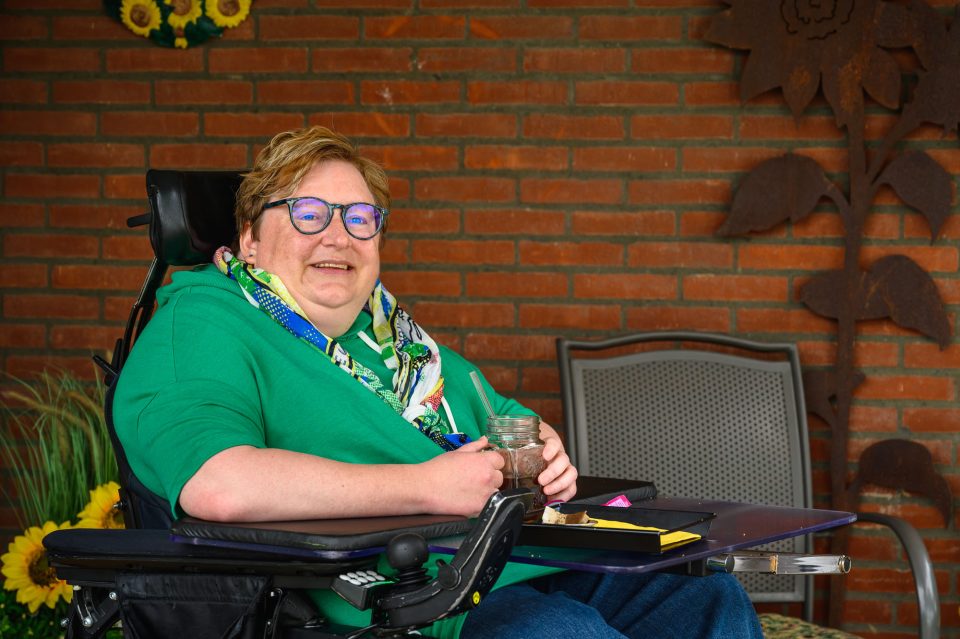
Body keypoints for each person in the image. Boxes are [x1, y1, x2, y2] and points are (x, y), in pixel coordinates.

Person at [114, 125, 763, 639]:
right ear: (250, 237)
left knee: (706, 600)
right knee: (562, 631)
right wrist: (426, 484)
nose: (338, 234)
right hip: (388, 604)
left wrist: (541, 446)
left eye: (360, 217)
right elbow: (220, 483)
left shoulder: (388, 338)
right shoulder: (203, 324)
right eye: (309, 212)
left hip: (498, 566)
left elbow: (495, 416)